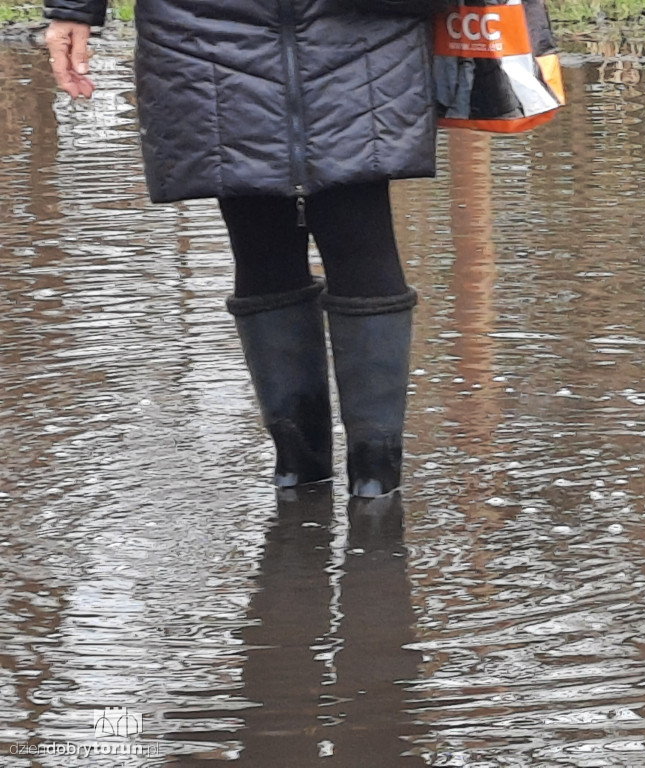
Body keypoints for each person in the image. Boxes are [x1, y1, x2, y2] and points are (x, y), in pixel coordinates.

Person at [43, 0, 437, 502]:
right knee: (257, 230)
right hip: (202, 21)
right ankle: (300, 474)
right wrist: (73, 9)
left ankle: (375, 480)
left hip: (359, 19)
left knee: (359, 228)